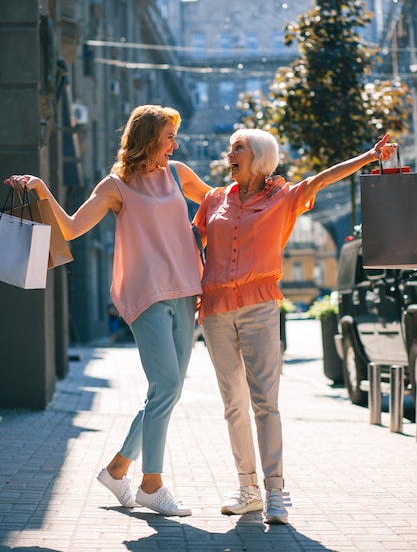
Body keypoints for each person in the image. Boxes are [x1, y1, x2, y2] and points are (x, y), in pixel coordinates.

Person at [5, 104, 211, 517]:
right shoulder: (116, 185)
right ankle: (151, 485)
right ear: (150, 136)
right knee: (167, 385)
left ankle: (118, 470)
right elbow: (71, 228)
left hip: (187, 289)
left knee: (164, 391)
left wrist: (263, 188)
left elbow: (217, 205)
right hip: (145, 294)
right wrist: (43, 189)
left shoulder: (178, 173)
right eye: (169, 134)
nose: (175, 142)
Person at [193, 128, 397, 525]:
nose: (229, 152)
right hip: (216, 309)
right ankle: (247, 489)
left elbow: (322, 177)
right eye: (231, 146)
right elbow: (185, 242)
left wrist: (369, 157)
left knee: (264, 402)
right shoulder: (214, 199)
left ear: (260, 156)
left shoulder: (283, 198)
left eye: (238, 147)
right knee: (233, 404)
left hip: (260, 307)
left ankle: (275, 492)